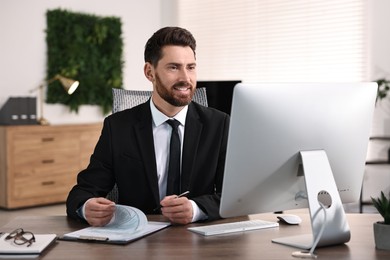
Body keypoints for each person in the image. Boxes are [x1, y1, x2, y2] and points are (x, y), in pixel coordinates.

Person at [66, 27, 230, 226]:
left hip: (198, 239)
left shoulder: (219, 125)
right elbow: (83, 191)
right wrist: (86, 206)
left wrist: (196, 209)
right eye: (173, 67)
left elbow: (233, 195)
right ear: (149, 72)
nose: (185, 78)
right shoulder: (117, 127)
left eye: (191, 67)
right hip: (137, 240)